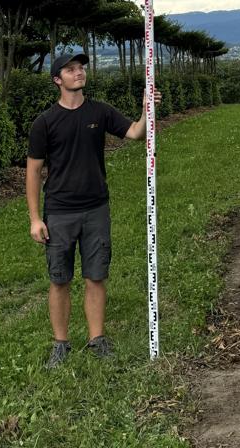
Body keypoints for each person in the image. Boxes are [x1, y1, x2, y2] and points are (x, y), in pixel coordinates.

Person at [26, 52, 161, 369]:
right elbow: (33, 172)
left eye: (81, 68)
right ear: (57, 80)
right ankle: (61, 344)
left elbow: (136, 133)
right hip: (59, 211)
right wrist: (35, 218)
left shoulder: (99, 112)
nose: (79, 73)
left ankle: (96, 339)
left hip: (96, 208)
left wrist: (147, 109)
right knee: (60, 279)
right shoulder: (44, 123)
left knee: (96, 276)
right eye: (70, 69)